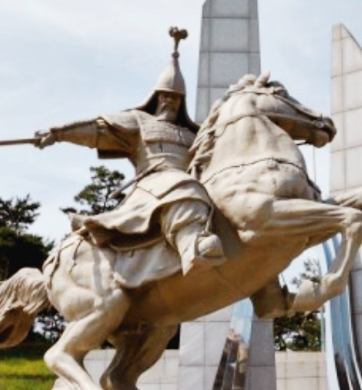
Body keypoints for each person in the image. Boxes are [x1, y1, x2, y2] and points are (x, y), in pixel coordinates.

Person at [35, 29, 225, 276]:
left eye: (176, 98)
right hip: (154, 185)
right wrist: (59, 133)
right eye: (166, 96)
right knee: (183, 184)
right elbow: (97, 131)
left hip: (190, 187)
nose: (170, 101)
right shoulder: (139, 122)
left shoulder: (192, 134)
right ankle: (191, 247)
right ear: (156, 97)